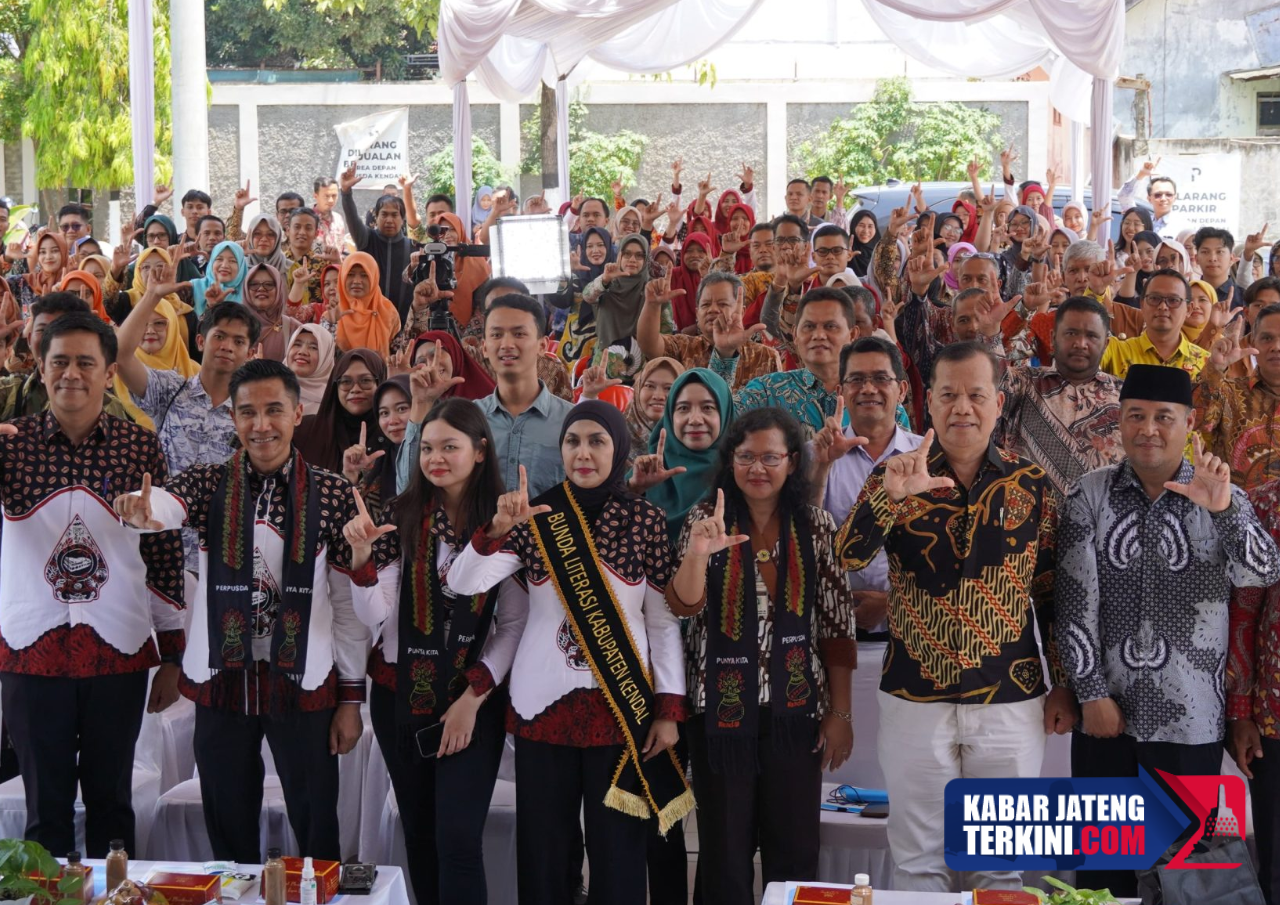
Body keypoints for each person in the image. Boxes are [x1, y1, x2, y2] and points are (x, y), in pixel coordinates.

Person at [836, 342, 1074, 892]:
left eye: (975, 394)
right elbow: (846, 557)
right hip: (914, 697)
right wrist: (889, 500)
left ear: (998, 403)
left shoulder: (1031, 485)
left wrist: (1062, 683)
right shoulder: (892, 476)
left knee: (1000, 867)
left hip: (1009, 701)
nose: (962, 407)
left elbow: (1050, 595)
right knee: (919, 862)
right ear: (928, 405)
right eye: (948, 394)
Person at [113, 359, 370, 863]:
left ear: (299, 413)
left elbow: (346, 606)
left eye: (274, 410)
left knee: (316, 821)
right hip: (221, 677)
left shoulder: (333, 493)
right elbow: (170, 503)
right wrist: (144, 510)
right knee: (227, 825)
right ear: (232, 418)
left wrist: (350, 699)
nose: (261, 424)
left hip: (304, 679)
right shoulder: (210, 483)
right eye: (247, 412)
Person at [446, 401, 691, 905]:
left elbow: (664, 622)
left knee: (618, 856)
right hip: (543, 709)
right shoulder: (536, 513)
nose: (583, 452)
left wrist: (669, 710)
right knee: (545, 855)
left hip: (622, 713)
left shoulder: (644, 519)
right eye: (572, 441)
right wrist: (494, 530)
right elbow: (462, 582)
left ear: (619, 450)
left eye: (597, 441)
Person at [1057, 364, 1280, 897]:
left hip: (1192, 726)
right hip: (1109, 721)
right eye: (1136, 416)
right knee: (1106, 878)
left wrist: (1223, 510)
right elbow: (1073, 603)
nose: (1148, 429)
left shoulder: (1224, 495)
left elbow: (1264, 572)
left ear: (1189, 423)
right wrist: (1090, 694)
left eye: (1164, 417)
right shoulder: (1088, 495)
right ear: (1119, 422)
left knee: (1194, 881)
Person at [0, 312, 185, 856]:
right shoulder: (11, 444)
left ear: (110, 373)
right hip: (32, 655)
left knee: (112, 806)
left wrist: (170, 654)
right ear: (40, 367)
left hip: (116, 654)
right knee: (45, 811)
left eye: (87, 362)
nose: (72, 374)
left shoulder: (139, 446)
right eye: (60, 361)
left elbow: (163, 552)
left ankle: (116, 896)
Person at [668, 407, 854, 904]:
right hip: (721, 714)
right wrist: (696, 555)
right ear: (730, 461)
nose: (757, 468)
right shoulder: (703, 522)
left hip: (795, 715)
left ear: (792, 462)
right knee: (724, 853)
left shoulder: (815, 525)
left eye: (770, 457)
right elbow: (682, 607)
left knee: (794, 850)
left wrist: (840, 712)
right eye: (745, 456)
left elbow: (837, 625)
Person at [344, 397, 525, 905]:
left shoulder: (501, 522)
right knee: (420, 835)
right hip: (399, 694)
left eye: (450, 446)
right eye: (427, 448)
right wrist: (360, 559)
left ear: (481, 452)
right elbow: (375, 615)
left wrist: (473, 698)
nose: (436, 457)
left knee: (459, 839)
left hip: (470, 701)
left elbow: (511, 625)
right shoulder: (400, 516)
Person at [116, 282, 261, 572]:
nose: (227, 346)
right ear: (200, 341)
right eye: (219, 336)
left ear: (250, 351)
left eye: (238, 341)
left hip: (220, 557)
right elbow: (120, 356)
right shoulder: (170, 390)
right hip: (160, 547)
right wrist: (152, 296)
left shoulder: (253, 414)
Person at [405, 294, 575, 498]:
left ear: (542, 346)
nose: (507, 344)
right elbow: (410, 491)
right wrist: (420, 403)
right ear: (484, 347)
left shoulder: (571, 421)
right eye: (496, 335)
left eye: (519, 334)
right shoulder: (464, 419)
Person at [811, 337, 923, 643]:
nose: (868, 388)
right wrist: (821, 467)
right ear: (842, 391)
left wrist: (891, 605)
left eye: (880, 378)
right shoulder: (816, 455)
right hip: (834, 633)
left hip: (915, 637)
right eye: (856, 379)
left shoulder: (927, 457)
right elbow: (804, 539)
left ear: (901, 390)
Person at [997, 297, 1125, 497]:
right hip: (1026, 519)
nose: (1080, 344)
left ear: (1106, 343)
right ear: (1053, 337)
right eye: (1071, 333)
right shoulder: (1023, 382)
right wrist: (990, 331)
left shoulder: (1125, 396)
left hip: (1098, 523)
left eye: (1091, 336)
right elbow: (982, 380)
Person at [1228, 477, 1280, 905]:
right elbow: (1244, 611)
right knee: (1276, 866)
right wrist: (1241, 712)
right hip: (1274, 718)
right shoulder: (1265, 502)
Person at [735, 288, 857, 437]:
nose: (818, 335)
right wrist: (724, 354)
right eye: (809, 326)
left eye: (830, 326)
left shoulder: (871, 394)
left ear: (853, 334)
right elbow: (718, 423)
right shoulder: (768, 391)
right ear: (795, 335)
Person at [636, 271, 778, 392]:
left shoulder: (766, 357)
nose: (713, 309)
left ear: (741, 311)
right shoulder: (682, 347)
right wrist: (652, 305)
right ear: (697, 313)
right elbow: (649, 345)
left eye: (723, 304)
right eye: (705, 304)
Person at [0, 293, 134, 421]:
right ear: (29, 339)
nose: (51, 339)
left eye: (61, 329)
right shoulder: (11, 392)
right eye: (43, 330)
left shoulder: (106, 405)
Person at [642, 367, 736, 541]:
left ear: (725, 412)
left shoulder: (740, 474)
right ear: (670, 416)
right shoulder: (645, 474)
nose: (694, 420)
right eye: (683, 408)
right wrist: (634, 489)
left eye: (708, 407)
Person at [1195, 302, 1280, 488]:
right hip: (1231, 513)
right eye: (1267, 338)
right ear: (1253, 342)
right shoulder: (1228, 392)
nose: (1276, 346)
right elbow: (1193, 420)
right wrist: (1215, 368)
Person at [1099, 269, 1209, 380]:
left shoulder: (1205, 363)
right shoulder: (1115, 351)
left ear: (1189, 309)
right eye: (1154, 298)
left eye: (1173, 300)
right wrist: (1095, 290)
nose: (1163, 306)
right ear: (1142, 304)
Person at [295, 348, 388, 476]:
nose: (355, 389)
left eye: (365, 380)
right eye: (346, 382)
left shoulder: (392, 432)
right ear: (335, 387)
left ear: (380, 383)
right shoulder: (305, 431)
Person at [340, 163, 416, 316]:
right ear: (376, 217)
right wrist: (346, 192)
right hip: (369, 321)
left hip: (402, 323)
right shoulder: (366, 239)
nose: (389, 220)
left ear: (402, 219)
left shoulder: (411, 247)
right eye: (384, 214)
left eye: (394, 215)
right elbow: (352, 218)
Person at [335, 253, 402, 359]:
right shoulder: (333, 313)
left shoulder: (388, 311)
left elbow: (398, 353)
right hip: (341, 375)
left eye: (364, 275)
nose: (357, 281)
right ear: (342, 276)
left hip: (380, 375)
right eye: (350, 274)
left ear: (374, 277)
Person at [242, 263, 301, 362]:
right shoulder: (234, 326)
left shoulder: (293, 328)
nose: (261, 289)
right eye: (254, 284)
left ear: (279, 289)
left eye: (269, 284)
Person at [1116, 161, 1189, 239]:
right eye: (1158, 195)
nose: (1163, 199)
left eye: (1169, 195)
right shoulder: (1141, 220)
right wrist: (1141, 174)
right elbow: (1123, 196)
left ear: (1175, 198)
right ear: (1149, 198)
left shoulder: (1183, 226)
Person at [286, 323, 337, 416]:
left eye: (313, 347)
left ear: (326, 357)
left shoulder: (334, 402)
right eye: (297, 344)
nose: (302, 352)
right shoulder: (271, 389)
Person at [190, 240, 249, 316]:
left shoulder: (251, 293)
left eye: (232, 261)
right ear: (211, 262)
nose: (224, 265)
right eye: (219, 259)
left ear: (241, 267)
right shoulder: (193, 287)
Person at [1194, 226, 1238, 308]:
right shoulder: (1186, 295)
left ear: (1231, 258)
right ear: (1196, 259)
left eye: (1220, 252)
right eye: (1205, 252)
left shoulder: (1245, 298)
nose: (1212, 258)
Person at [313, 176, 348, 255]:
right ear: (316, 196)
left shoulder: (338, 219)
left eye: (334, 196)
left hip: (336, 266)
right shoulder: (308, 219)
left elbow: (342, 247)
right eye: (326, 196)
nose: (331, 200)